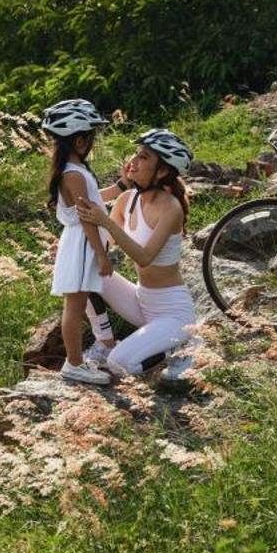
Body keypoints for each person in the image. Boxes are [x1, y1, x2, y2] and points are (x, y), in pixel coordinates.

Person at [76, 128, 197, 379]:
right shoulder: (127, 199)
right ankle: (105, 343)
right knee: (82, 265)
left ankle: (176, 347)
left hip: (173, 314)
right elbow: (103, 242)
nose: (134, 160)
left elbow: (144, 256)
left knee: (119, 365)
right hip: (141, 302)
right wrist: (75, 248)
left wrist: (106, 222)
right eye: (136, 153)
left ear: (162, 171)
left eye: (144, 157)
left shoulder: (170, 208)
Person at [43, 98, 118, 385]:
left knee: (76, 305)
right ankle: (73, 363)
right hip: (83, 244)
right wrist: (101, 254)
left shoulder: (73, 170)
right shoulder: (73, 174)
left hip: (79, 241)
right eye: (90, 138)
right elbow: (88, 217)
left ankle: (75, 361)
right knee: (74, 308)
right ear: (78, 140)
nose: (92, 144)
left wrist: (121, 186)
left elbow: (95, 201)